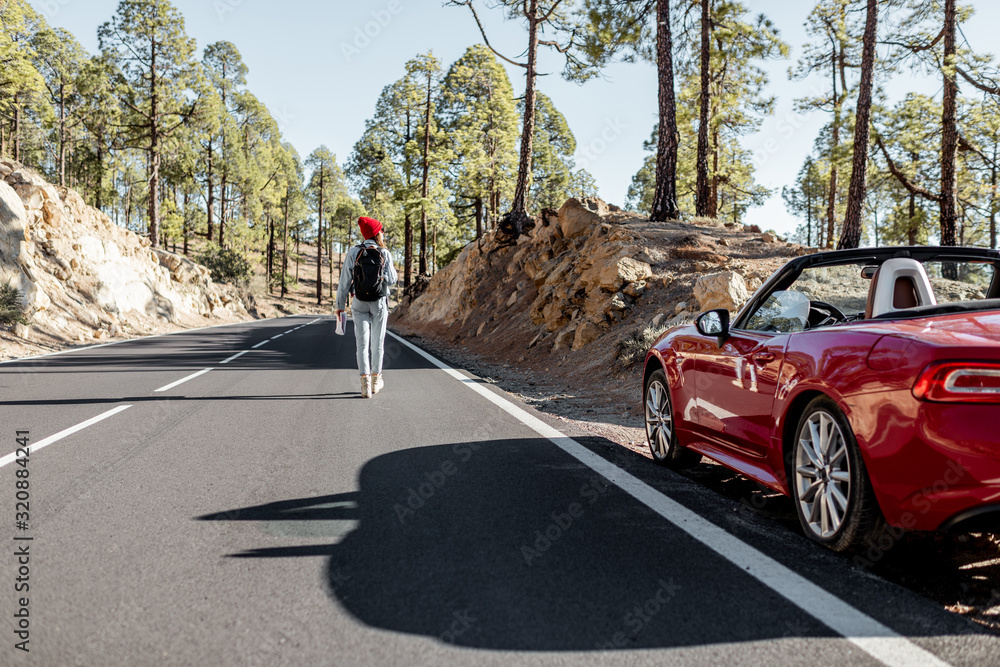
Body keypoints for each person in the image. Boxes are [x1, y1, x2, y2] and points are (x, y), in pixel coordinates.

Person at [335, 216, 398, 398]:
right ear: (377, 233)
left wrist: (340, 306)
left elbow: (344, 282)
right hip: (379, 302)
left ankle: (364, 384)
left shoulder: (354, 252)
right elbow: (392, 280)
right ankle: (376, 381)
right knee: (377, 343)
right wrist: (383, 278)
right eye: (381, 230)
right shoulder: (384, 253)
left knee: (361, 344)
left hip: (359, 302)